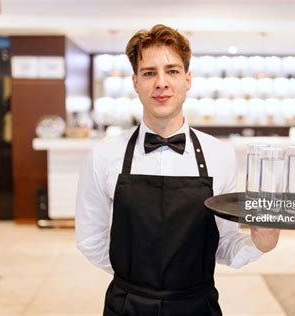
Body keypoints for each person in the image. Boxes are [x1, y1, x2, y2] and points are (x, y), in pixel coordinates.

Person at [76, 24, 280, 316]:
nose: (161, 83)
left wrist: (260, 244)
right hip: (127, 305)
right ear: (135, 82)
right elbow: (90, 239)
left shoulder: (220, 156)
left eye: (171, 71)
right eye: (149, 73)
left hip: (197, 305)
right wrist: (135, 280)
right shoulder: (103, 156)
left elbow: (224, 244)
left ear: (187, 79)